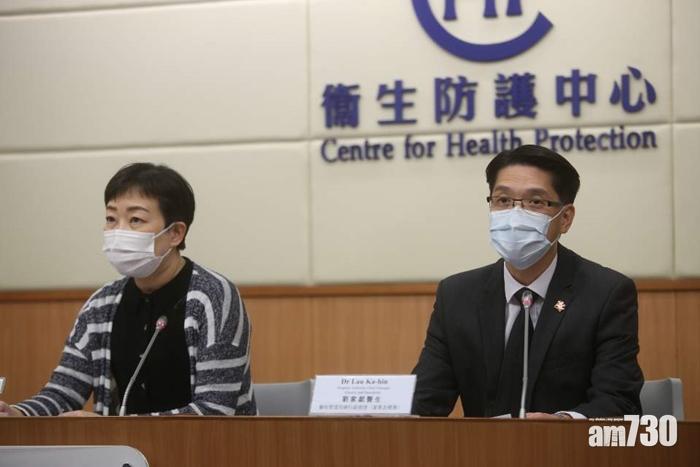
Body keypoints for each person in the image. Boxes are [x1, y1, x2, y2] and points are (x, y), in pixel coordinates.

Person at [0, 163, 255, 416]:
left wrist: (109, 431)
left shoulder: (213, 296)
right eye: (111, 219)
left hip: (209, 443)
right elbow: (62, 393)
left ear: (176, 233)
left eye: (135, 220)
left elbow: (214, 411)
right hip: (118, 444)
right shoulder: (102, 305)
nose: (119, 231)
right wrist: (16, 414)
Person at [412, 145, 643, 419]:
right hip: (481, 447)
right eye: (503, 200)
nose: (515, 215)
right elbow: (424, 399)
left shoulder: (606, 294)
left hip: (568, 445)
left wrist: (564, 422)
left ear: (565, 218)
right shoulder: (457, 296)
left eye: (535, 202)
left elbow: (619, 401)